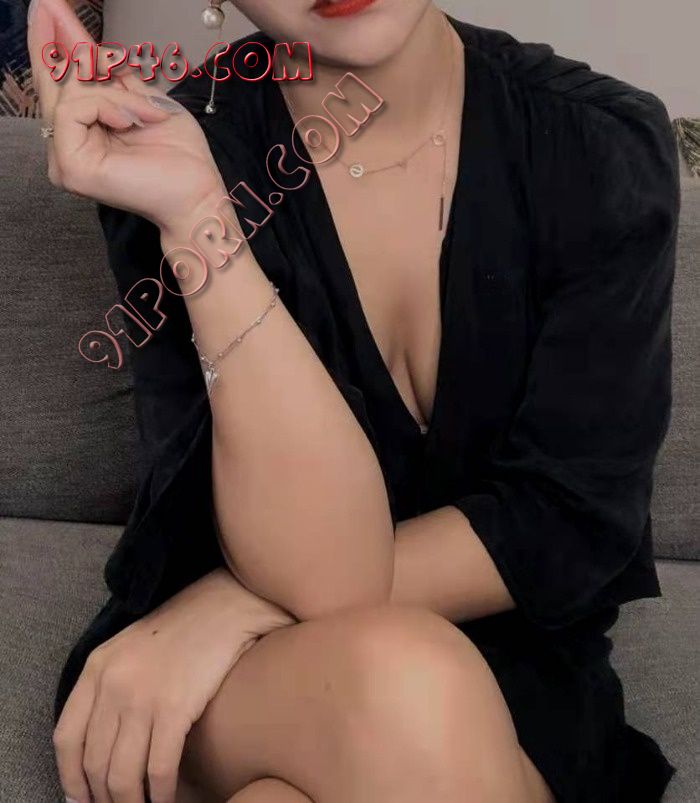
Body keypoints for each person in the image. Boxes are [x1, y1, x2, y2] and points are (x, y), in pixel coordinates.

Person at [28, 0, 680, 800]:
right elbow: (323, 574)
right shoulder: (176, 149)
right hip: (243, 688)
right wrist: (198, 217)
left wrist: (232, 607)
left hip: (512, 675)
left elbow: (571, 516)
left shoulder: (598, 144)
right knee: (412, 691)